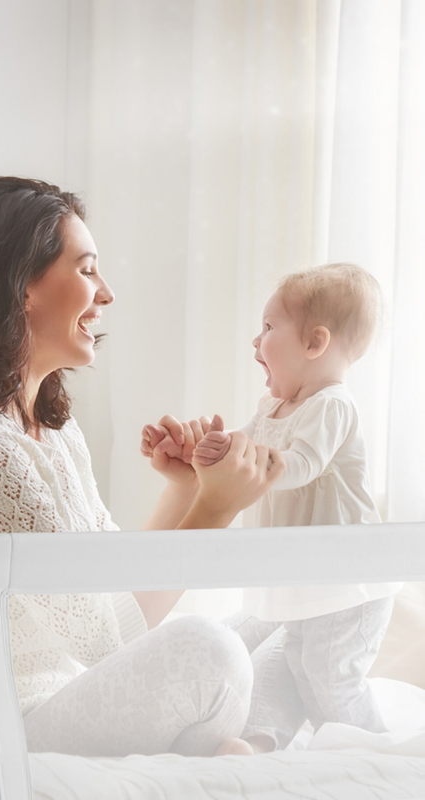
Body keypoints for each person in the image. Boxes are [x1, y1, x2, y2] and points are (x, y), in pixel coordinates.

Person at [0, 176, 285, 759]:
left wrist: (184, 492)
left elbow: (108, 593)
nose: (107, 293)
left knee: (236, 649)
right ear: (20, 286)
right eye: (87, 269)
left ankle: (205, 761)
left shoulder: (49, 429)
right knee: (211, 650)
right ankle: (208, 761)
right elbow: (109, 637)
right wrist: (216, 510)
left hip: (50, 703)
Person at [142, 264, 402, 752]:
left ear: (314, 343)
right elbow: (238, 452)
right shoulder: (271, 409)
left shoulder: (333, 404)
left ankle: (377, 751)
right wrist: (197, 451)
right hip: (307, 581)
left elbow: (302, 464)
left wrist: (251, 462)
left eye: (268, 328)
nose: (255, 341)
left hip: (350, 583)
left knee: (329, 677)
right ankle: (263, 741)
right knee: (291, 665)